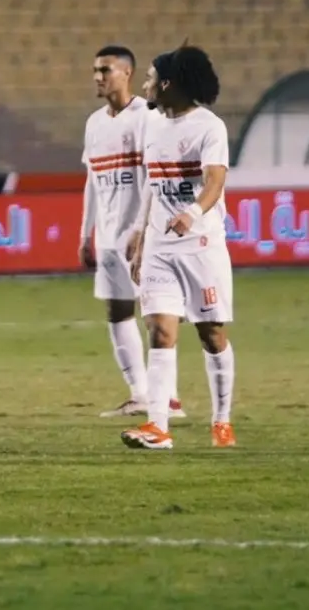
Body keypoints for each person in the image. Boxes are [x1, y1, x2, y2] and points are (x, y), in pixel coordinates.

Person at [124, 47, 236, 451]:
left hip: (201, 246)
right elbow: (152, 185)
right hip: (159, 246)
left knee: (211, 334)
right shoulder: (151, 125)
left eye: (150, 78)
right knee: (160, 329)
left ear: (168, 84)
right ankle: (158, 427)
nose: (145, 86)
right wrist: (140, 235)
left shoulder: (209, 127)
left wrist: (191, 213)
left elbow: (215, 182)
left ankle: (222, 420)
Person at [80, 45, 184, 419]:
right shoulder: (94, 123)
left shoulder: (147, 118)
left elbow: (156, 178)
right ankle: (140, 394)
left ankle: (168, 398)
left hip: (144, 235)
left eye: (105, 70)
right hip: (108, 238)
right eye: (95, 70)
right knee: (117, 311)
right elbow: (92, 180)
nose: (98, 77)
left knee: (156, 314)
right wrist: (85, 233)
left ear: (127, 72)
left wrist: (141, 229)